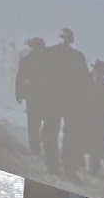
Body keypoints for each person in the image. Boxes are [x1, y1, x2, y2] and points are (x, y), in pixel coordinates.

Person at [37, 28, 89, 175]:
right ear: (58, 37)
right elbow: (41, 76)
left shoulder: (78, 57)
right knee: (50, 133)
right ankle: (51, 166)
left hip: (71, 102)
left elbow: (84, 81)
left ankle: (69, 168)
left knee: (71, 135)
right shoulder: (49, 53)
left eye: (67, 38)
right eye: (61, 37)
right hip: (52, 101)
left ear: (72, 40)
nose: (64, 40)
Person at [67, 58, 104, 177]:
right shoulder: (81, 82)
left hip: (99, 124)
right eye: (98, 70)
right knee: (79, 143)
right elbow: (72, 99)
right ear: (94, 69)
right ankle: (77, 166)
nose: (100, 73)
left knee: (97, 148)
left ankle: (94, 170)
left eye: (102, 72)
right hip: (82, 120)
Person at [14, 38, 51, 159]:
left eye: (40, 46)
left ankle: (44, 142)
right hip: (33, 96)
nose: (39, 48)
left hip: (47, 97)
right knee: (33, 124)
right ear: (32, 47)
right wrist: (19, 93)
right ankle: (35, 150)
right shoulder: (27, 60)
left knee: (49, 122)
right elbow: (20, 77)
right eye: (36, 46)